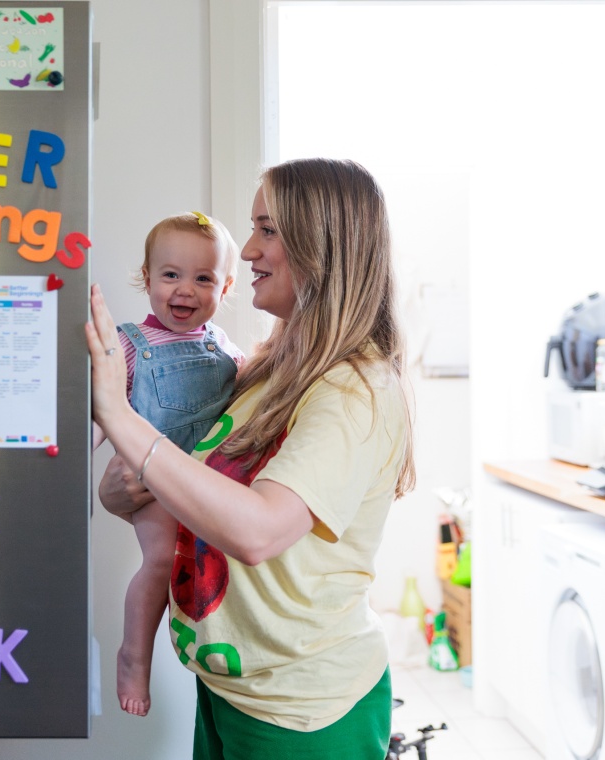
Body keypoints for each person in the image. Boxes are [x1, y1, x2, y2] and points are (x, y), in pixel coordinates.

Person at [87, 157, 415, 758]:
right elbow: (198, 487)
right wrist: (119, 494)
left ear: (320, 243)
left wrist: (117, 414)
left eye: (267, 229)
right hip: (234, 687)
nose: (250, 250)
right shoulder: (271, 365)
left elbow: (258, 530)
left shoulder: (352, 390)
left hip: (300, 713)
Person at [94, 211, 245, 717]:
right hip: (153, 482)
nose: (186, 290)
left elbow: (248, 398)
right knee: (160, 562)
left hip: (209, 482)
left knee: (207, 569)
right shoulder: (131, 343)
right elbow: (102, 408)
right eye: (171, 275)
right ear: (147, 276)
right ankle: (134, 658)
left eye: (204, 278)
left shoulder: (222, 347)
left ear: (225, 287)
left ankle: (212, 656)